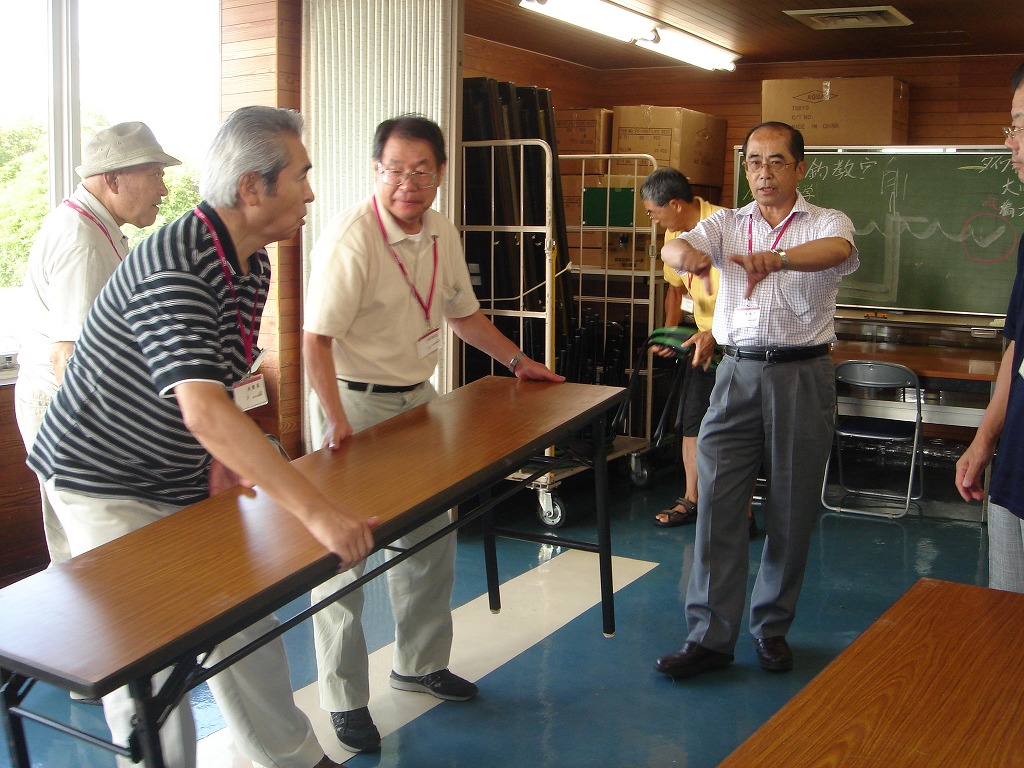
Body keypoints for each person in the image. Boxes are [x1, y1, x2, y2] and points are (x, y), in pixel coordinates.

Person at [28, 106, 370, 768]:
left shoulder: (252, 263)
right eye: (301, 176)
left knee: (242, 618)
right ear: (251, 188)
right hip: (102, 478)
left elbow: (222, 378)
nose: (310, 193)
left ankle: (293, 758)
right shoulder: (176, 263)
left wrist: (220, 461)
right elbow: (204, 410)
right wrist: (320, 516)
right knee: (150, 656)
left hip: (176, 473)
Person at [303, 113, 564, 753]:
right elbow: (315, 340)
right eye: (395, 170)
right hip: (353, 406)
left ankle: (418, 664)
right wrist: (334, 416)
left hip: (419, 402)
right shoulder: (352, 239)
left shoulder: (442, 230)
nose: (408, 183)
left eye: (421, 170)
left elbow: (462, 315)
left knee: (429, 539)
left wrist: (518, 361)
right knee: (344, 555)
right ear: (377, 171)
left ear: (441, 173)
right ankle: (343, 697)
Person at [654, 121, 858, 680]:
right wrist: (687, 256)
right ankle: (709, 637)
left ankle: (771, 628)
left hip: (802, 375)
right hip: (736, 374)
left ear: (799, 168)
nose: (763, 173)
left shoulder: (827, 222)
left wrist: (779, 258)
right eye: (753, 162)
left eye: (775, 161)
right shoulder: (727, 223)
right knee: (717, 505)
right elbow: (677, 243)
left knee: (791, 509)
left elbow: (837, 252)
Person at [16, 121, 180, 568]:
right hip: (62, 404)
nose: (164, 189)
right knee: (90, 553)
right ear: (114, 179)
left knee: (79, 553)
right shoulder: (82, 240)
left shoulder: (95, 226)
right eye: (155, 174)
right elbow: (67, 355)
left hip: (59, 403)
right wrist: (103, 438)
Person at [955, 61, 1024, 593]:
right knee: (1005, 616)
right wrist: (984, 439)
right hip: (1016, 467)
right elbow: (1017, 348)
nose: (1008, 142)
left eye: (1019, 126)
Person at [639, 168, 729, 529]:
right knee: (692, 421)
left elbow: (746, 296)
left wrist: (717, 334)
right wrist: (671, 332)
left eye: (653, 212)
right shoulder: (674, 235)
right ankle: (692, 499)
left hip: (739, 345)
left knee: (736, 429)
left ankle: (739, 510)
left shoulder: (726, 227)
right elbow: (675, 289)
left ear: (675, 204)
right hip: (702, 342)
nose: (652, 219)